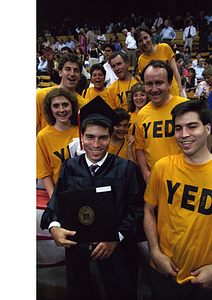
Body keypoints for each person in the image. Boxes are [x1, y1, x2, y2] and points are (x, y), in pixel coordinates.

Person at [40, 97, 145, 300]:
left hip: (118, 256)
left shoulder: (126, 169)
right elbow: (56, 204)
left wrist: (116, 236)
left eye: (102, 138)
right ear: (81, 136)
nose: (95, 144)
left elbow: (136, 211)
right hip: (79, 255)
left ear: (110, 136)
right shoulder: (70, 167)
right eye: (89, 137)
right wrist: (54, 227)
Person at [143, 99, 212, 300]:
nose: (184, 134)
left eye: (192, 126)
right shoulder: (162, 167)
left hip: (207, 281)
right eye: (178, 128)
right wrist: (155, 253)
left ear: (207, 128)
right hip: (164, 273)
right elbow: (148, 210)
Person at [134, 60, 188, 182]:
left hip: (183, 177)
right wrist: (144, 170)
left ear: (169, 83)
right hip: (155, 178)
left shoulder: (184, 107)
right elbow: (140, 148)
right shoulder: (142, 114)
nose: (154, 89)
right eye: (149, 84)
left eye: (159, 83)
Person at [36, 88, 80, 198]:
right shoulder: (43, 136)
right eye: (56, 106)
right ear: (50, 109)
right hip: (60, 193)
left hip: (84, 191)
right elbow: (44, 173)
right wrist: (53, 197)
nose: (61, 110)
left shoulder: (83, 130)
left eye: (65, 104)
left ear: (72, 106)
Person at [36, 53, 88, 134]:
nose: (72, 74)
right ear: (60, 72)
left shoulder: (84, 105)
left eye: (76, 71)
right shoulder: (39, 95)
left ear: (80, 76)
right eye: (68, 69)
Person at [134, 25, 183, 97]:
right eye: (140, 41)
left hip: (173, 92)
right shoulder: (141, 60)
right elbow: (145, 83)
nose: (144, 42)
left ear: (151, 36)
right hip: (157, 97)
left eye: (145, 38)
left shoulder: (165, 48)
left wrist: (181, 91)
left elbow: (175, 71)